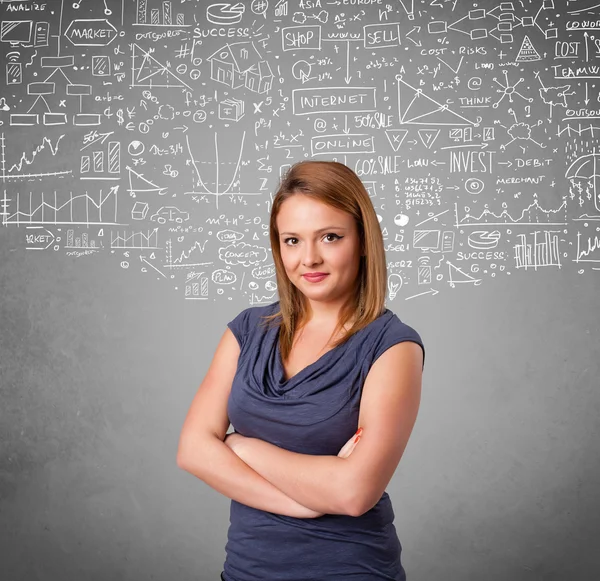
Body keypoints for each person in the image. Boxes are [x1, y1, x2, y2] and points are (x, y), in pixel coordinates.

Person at [177, 160, 425, 581]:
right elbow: (192, 450)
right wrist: (304, 504)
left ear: (362, 240)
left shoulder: (393, 346)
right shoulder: (247, 330)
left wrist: (242, 448)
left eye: (330, 237)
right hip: (245, 571)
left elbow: (353, 493)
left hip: (350, 571)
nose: (309, 258)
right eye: (292, 240)